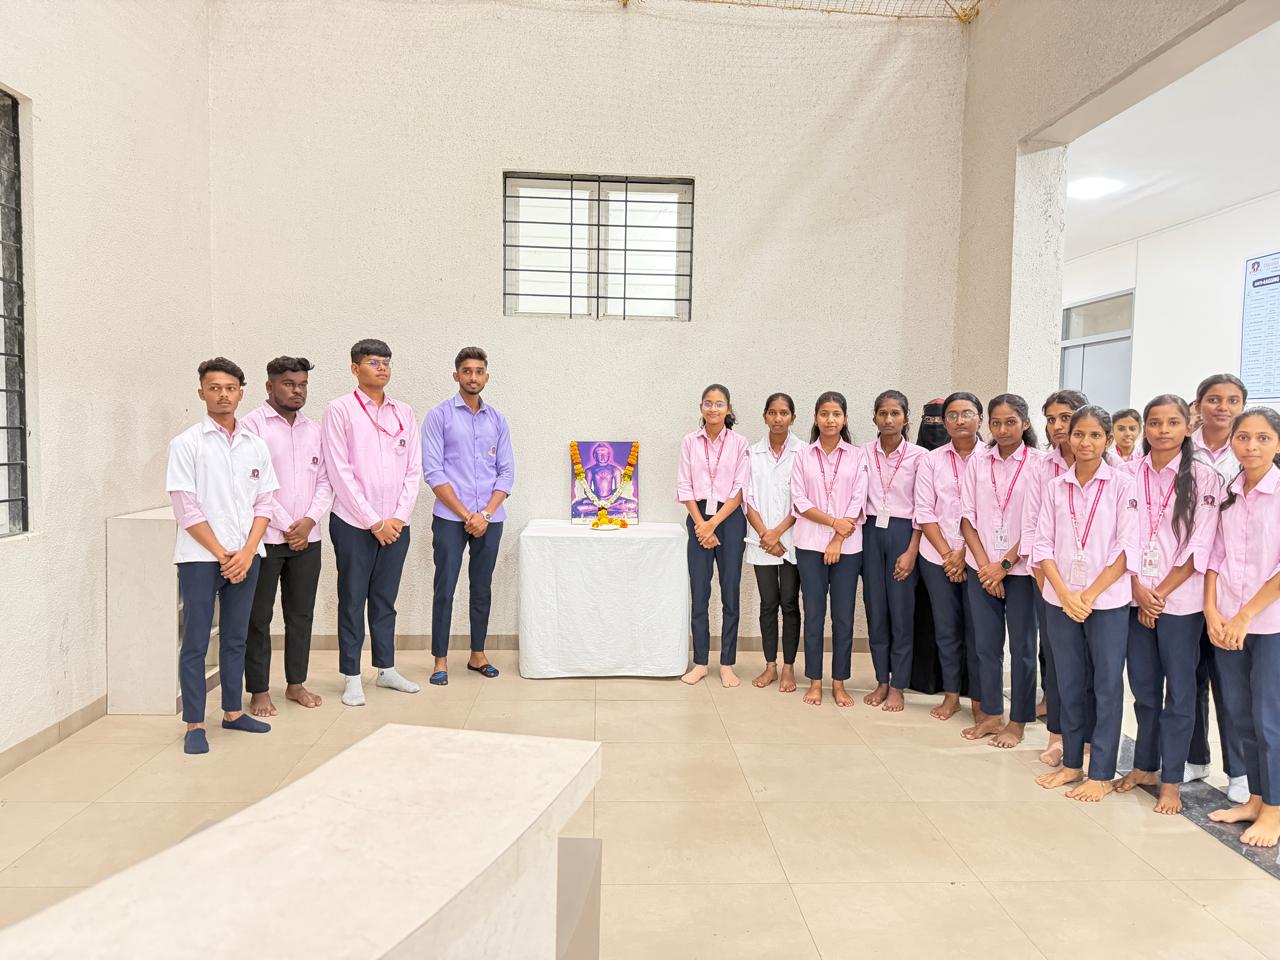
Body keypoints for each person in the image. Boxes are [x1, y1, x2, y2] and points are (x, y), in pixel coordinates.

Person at [1114, 395, 1220, 814]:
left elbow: (1200, 544)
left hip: (1180, 602)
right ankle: (1144, 766)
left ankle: (1171, 780)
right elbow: (1120, 537)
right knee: (1142, 689)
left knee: (1179, 693)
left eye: (1172, 422)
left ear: (1187, 427)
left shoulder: (1204, 477)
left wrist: (1158, 593)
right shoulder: (1127, 473)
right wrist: (1138, 587)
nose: (1162, 430)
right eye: (1155, 422)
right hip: (1135, 596)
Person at [166, 357, 277, 754]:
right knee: (196, 640)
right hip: (199, 557)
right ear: (202, 393)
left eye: (230, 388)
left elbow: (265, 503)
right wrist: (221, 553)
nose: (223, 395)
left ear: (241, 393)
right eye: (214, 388)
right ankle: (195, 723)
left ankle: (232, 712)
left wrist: (246, 553)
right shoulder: (186, 444)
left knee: (236, 637)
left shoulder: (255, 445)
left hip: (247, 556)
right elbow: (186, 509)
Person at [1034, 406, 1137, 802]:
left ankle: (1102, 773)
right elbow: (1042, 545)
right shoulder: (1055, 487)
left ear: (1108, 440)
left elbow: (1126, 548)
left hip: (1106, 601)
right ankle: (1073, 763)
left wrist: (1088, 595)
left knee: (1106, 685)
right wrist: (1064, 594)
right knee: (1069, 683)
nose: (1085, 442)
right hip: (1060, 600)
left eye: (1095, 435)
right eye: (1079, 434)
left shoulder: (1123, 485)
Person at [322, 339, 421, 706]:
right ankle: (351, 676)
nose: (382, 368)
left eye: (386, 362)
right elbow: (339, 471)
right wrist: (373, 521)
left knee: (385, 599)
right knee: (352, 599)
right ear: (355, 368)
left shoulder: (404, 412)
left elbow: (413, 470)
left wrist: (397, 518)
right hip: (353, 523)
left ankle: (386, 669)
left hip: (396, 524)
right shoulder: (340, 410)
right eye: (373, 362)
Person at [1205, 407, 1280, 847]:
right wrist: (1212, 611)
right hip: (1226, 622)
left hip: (1267, 624)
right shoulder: (1229, 491)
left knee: (1269, 718)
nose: (1251, 446)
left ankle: (1274, 809)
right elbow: (1214, 555)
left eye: (1263, 438)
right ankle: (1255, 798)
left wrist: (1245, 615)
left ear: (1278, 443)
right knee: (1240, 715)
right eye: (1243, 437)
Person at [241, 356, 332, 716]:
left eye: (302, 385)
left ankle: (296, 683)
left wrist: (308, 521)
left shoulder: (314, 429)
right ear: (270, 387)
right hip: (264, 538)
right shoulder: (252, 425)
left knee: (300, 615)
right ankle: (259, 690)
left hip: (308, 539)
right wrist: (287, 524)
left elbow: (325, 480)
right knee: (258, 617)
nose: (297, 391)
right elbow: (254, 484)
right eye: (289, 384)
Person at [422, 346, 515, 686]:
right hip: (451, 518)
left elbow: (506, 473)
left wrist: (486, 514)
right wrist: (466, 515)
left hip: (490, 518)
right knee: (445, 588)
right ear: (456, 375)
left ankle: (478, 654)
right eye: (466, 371)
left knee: (481, 587)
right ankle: (440, 660)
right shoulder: (439, 416)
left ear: (486, 377)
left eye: (478, 371)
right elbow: (433, 472)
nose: (472, 377)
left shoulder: (498, 420)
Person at [959, 394, 1041, 747]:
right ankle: (991, 714)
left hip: (1020, 572)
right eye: (996, 423)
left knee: (1022, 648)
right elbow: (966, 518)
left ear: (1025, 423)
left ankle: (1018, 721)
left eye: (1011, 422)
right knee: (985, 646)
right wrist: (985, 568)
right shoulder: (978, 462)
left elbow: (1038, 524)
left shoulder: (1039, 464)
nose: (1003, 429)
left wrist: (1004, 566)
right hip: (982, 569)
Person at [1187, 373, 1250, 801]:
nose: (1222, 407)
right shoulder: (1181, 448)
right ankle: (1195, 757)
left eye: (1231, 400)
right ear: (1199, 405)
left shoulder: (1246, 450)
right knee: (1189, 677)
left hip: (1227, 586)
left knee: (1230, 684)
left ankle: (1240, 771)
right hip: (1182, 583)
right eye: (1213, 399)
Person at [1025, 389, 1090, 767]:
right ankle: (1057, 735)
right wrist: (1049, 586)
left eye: (1065, 417)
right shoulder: (1041, 467)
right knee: (1057, 661)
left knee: (1093, 667)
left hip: (1097, 589)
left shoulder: (1114, 468)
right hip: (1050, 582)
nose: (1058, 426)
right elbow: (1033, 530)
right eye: (1051, 419)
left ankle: (1090, 740)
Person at [791, 391, 869, 707]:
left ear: (845, 419)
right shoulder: (803, 456)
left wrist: (837, 538)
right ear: (816, 417)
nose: (830, 419)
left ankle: (838, 682)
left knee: (843, 617)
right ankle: (814, 680)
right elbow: (800, 500)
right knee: (813, 615)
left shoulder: (857, 456)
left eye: (836, 414)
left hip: (847, 549)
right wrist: (833, 523)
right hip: (809, 544)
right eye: (824, 414)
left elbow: (859, 499)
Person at [915, 392, 983, 722]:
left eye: (967, 413)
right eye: (952, 415)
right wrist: (948, 554)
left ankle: (981, 699)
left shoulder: (990, 459)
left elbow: (994, 513)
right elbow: (924, 511)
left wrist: (965, 554)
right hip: (936, 556)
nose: (959, 421)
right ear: (944, 422)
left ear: (980, 419)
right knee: (946, 629)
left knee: (980, 631)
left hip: (981, 558)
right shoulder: (931, 460)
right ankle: (952, 694)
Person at [677, 384, 751, 687]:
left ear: (728, 408)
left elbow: (740, 489)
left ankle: (727, 663)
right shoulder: (689, 442)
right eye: (708, 403)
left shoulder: (740, 443)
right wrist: (701, 525)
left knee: (730, 591)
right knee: (700, 593)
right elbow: (684, 486)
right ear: (701, 408)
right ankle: (700, 662)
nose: (713, 408)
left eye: (719, 404)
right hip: (697, 517)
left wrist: (714, 523)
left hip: (730, 520)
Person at [860, 390, 924, 711]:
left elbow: (923, 507)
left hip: (903, 533)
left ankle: (898, 684)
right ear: (874, 418)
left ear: (905, 418)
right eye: (883, 413)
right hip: (870, 531)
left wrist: (912, 550)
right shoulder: (862, 453)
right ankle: (881, 680)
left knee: (901, 612)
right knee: (876, 610)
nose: (888, 419)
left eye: (895, 413)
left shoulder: (919, 457)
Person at [744, 393, 804, 693]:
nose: (778, 418)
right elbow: (747, 498)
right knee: (768, 604)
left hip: (791, 539)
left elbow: (803, 499)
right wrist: (765, 535)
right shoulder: (752, 453)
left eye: (783, 413)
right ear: (765, 416)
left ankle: (789, 667)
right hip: (761, 539)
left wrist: (777, 533)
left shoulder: (804, 452)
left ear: (792, 417)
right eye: (772, 412)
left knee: (790, 604)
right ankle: (770, 665)